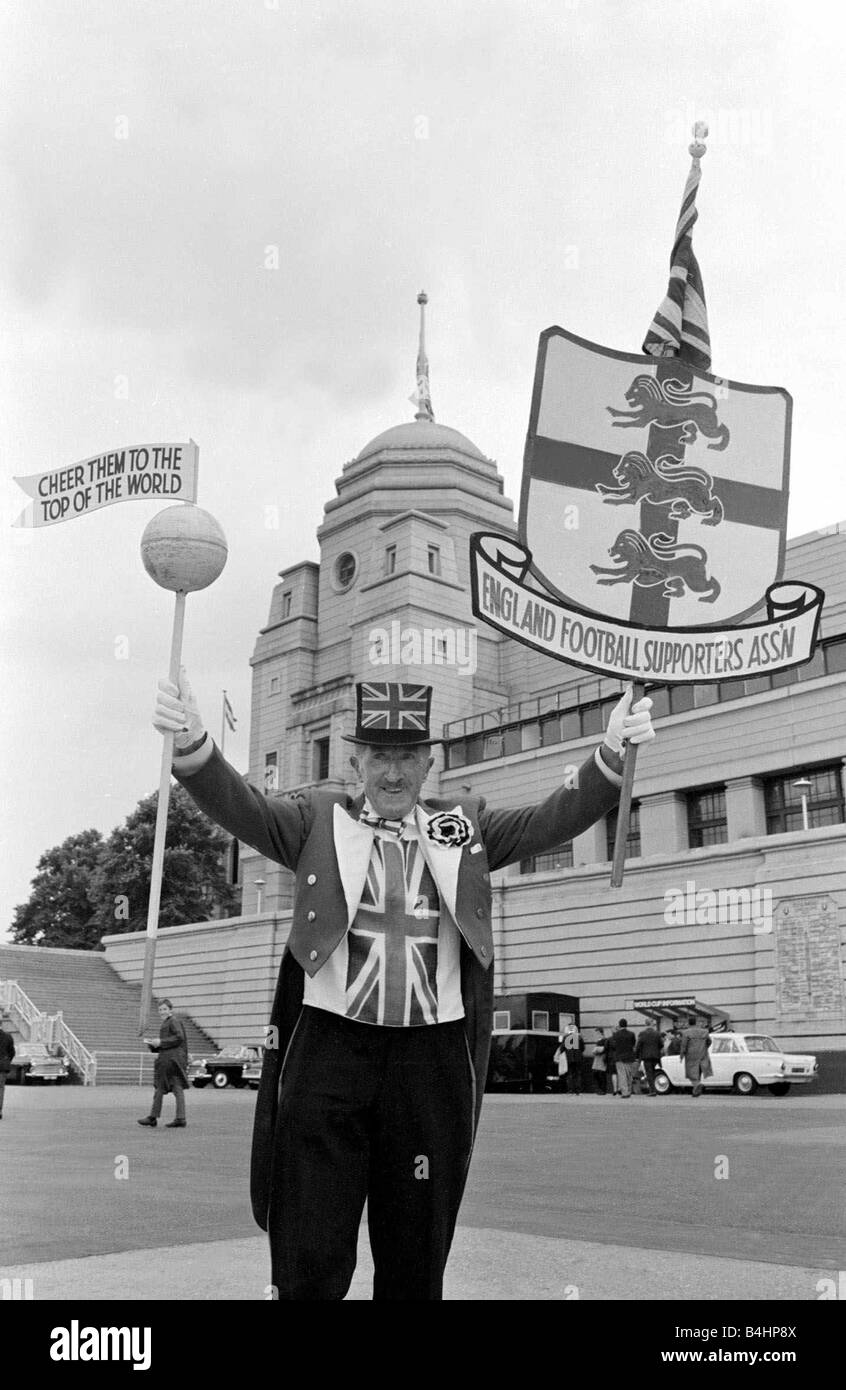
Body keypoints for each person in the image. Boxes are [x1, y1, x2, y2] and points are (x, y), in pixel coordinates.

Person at [154, 673, 654, 1300]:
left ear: (428, 764)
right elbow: (241, 807)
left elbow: (549, 821)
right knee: (310, 1240)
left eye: (407, 758)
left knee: (416, 1250)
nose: (392, 774)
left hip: (429, 1060)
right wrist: (194, 747)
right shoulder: (317, 819)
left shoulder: (463, 825)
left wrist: (608, 758)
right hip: (330, 1053)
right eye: (379, 757)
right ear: (357, 761)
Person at [138, 1000, 189, 1128]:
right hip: (173, 1060)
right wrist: (154, 1045)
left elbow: (179, 1037)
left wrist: (160, 1042)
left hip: (170, 1061)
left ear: (170, 1010)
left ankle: (154, 1117)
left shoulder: (173, 1021)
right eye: (160, 1010)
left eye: (164, 1009)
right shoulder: (169, 1022)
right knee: (175, 1088)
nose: (162, 1012)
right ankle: (179, 1118)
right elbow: (173, 1041)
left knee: (161, 1086)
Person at [679, 1014, 713, 1096]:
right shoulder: (704, 1031)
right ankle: (696, 1091)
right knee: (699, 1071)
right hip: (703, 1054)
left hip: (691, 1055)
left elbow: (684, 1045)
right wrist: (705, 1048)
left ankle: (697, 1084)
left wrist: (682, 1055)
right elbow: (709, 1041)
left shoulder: (686, 1032)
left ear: (688, 1023)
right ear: (696, 1022)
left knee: (691, 1073)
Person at [635, 1019, 664, 1095]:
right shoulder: (657, 1033)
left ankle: (652, 1090)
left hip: (646, 1056)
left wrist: (637, 1055)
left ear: (645, 1024)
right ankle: (654, 1088)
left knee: (649, 1073)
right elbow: (661, 1044)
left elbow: (638, 1046)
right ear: (652, 1025)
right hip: (656, 1056)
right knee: (654, 1072)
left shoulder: (642, 1034)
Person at [610, 1017, 637, 1097]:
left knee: (622, 1075)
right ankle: (628, 1090)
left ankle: (625, 1092)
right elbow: (633, 1044)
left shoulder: (616, 1035)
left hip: (619, 1057)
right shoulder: (631, 1034)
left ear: (619, 1025)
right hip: (629, 1057)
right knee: (629, 1075)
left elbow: (614, 1046)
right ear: (626, 1025)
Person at [0, 1015, 15, 1119]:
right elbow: (12, 1052)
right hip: (2, 1067)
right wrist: (7, 1061)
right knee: (0, 1089)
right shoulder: (8, 1036)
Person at [563, 1022, 584, 1094]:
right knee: (578, 1074)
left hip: (569, 1057)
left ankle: (570, 1090)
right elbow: (583, 1048)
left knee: (570, 1074)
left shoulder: (566, 1037)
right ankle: (578, 1090)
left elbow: (563, 1047)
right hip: (578, 1057)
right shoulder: (579, 1037)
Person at [591, 1028, 608, 1095]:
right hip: (597, 1059)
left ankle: (602, 1089)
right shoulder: (599, 1040)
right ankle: (600, 1089)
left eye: (597, 1033)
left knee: (601, 1075)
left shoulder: (604, 1040)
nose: (596, 1034)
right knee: (597, 1074)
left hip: (601, 1059)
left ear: (601, 1033)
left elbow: (603, 1049)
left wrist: (596, 1049)